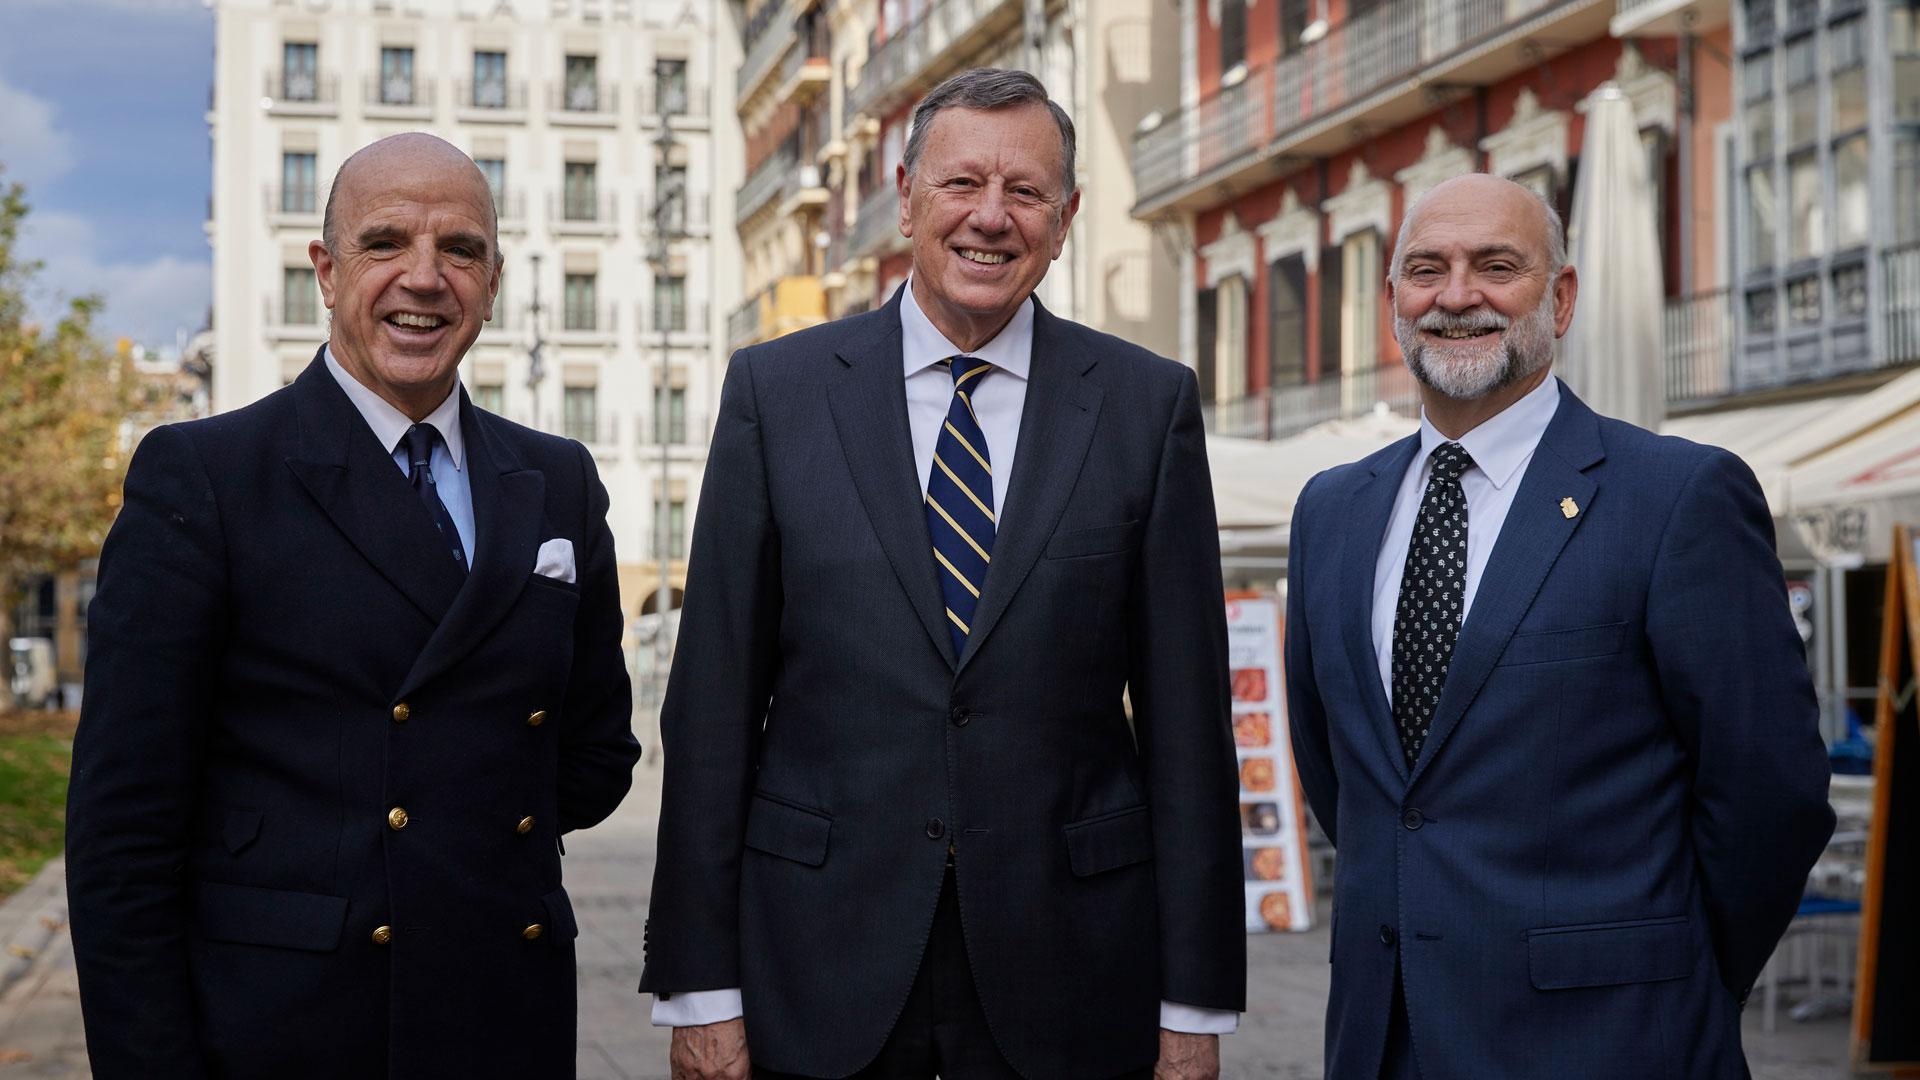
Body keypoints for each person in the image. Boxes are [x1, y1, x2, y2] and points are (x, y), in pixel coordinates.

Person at [639, 69, 1245, 1080]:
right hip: (815, 963)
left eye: (1026, 193)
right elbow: (710, 710)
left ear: (1067, 219)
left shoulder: (1146, 408)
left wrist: (1194, 1008)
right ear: (907, 193)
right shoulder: (776, 395)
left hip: (1073, 972)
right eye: (962, 183)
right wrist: (700, 989)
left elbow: (1188, 730)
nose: (991, 218)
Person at [66, 133, 641, 1078]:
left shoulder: (556, 480)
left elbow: (596, 750)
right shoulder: (207, 476)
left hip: (504, 1009)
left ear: (494, 282)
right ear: (326, 273)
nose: (425, 278)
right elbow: (123, 834)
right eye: (385, 244)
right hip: (288, 1024)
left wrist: (466, 840)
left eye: (459, 250)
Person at [1284, 173, 1835, 1079]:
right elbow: (1347, 777)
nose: (1456, 296)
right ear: (1392, 304)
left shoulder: (1677, 498)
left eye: (1497, 266)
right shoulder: (1333, 510)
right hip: (1382, 1039)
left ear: (1562, 296)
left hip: (1613, 1043)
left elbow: (1771, 792)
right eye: (1426, 269)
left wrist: (1681, 978)